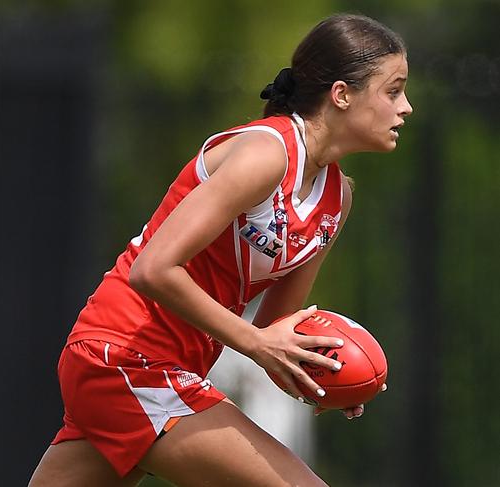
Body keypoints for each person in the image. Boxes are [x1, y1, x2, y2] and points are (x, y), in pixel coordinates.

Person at [29, 12, 412, 487]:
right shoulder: (266, 154)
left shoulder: (337, 197)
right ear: (342, 95)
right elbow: (152, 269)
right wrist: (256, 344)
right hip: (126, 357)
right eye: (392, 90)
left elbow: (276, 330)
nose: (406, 107)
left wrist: (325, 376)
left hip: (158, 367)